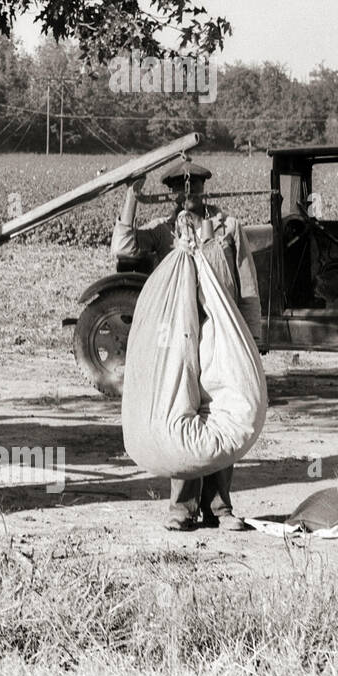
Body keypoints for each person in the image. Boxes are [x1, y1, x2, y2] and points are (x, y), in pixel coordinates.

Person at [114, 158, 261, 532]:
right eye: (179, 186)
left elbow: (247, 289)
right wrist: (133, 194)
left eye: (193, 183)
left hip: (222, 336)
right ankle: (181, 508)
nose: (187, 191)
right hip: (178, 339)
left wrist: (253, 340)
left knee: (224, 413)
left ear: (204, 185)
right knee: (180, 414)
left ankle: (220, 508)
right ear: (172, 193)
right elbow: (123, 245)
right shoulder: (165, 232)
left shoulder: (228, 229)